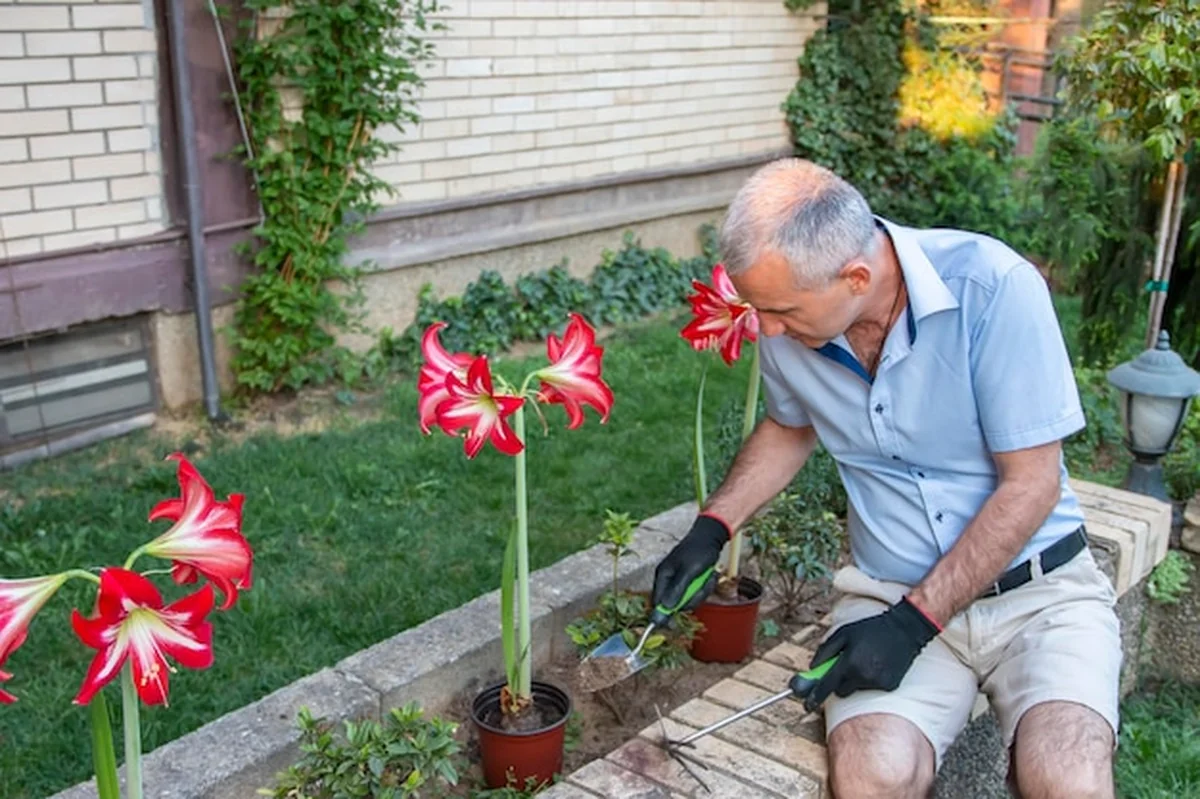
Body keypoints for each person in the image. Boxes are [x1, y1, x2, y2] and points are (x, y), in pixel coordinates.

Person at [651, 158, 1121, 799]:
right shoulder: (792, 319)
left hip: (1041, 596)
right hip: (886, 594)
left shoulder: (993, 289)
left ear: (856, 277)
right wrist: (711, 527)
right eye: (759, 308)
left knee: (1068, 777)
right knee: (874, 774)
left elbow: (1031, 485)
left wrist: (914, 624)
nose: (766, 329)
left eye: (781, 310)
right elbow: (791, 428)